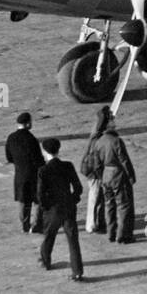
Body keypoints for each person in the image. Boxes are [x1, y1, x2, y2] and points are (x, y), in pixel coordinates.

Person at [36, 138, 84, 281]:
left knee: (49, 236)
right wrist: (73, 200)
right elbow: (78, 188)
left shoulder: (43, 170)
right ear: (58, 150)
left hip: (53, 209)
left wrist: (46, 207)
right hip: (68, 206)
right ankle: (77, 271)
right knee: (73, 239)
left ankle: (46, 261)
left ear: (45, 151)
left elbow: (40, 195)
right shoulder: (68, 166)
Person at [91, 107, 137, 243]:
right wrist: (131, 175)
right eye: (111, 119)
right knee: (124, 206)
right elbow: (124, 160)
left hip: (106, 175)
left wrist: (101, 177)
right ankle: (123, 235)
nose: (114, 121)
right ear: (107, 124)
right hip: (118, 175)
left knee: (109, 206)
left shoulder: (99, 142)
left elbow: (96, 164)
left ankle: (111, 234)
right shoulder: (116, 141)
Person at [5, 112, 45, 234]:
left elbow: (9, 157)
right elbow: (38, 159)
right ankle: (37, 225)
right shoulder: (31, 139)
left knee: (23, 201)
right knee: (38, 200)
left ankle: (25, 225)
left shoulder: (11, 138)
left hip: (20, 175)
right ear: (28, 123)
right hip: (34, 175)